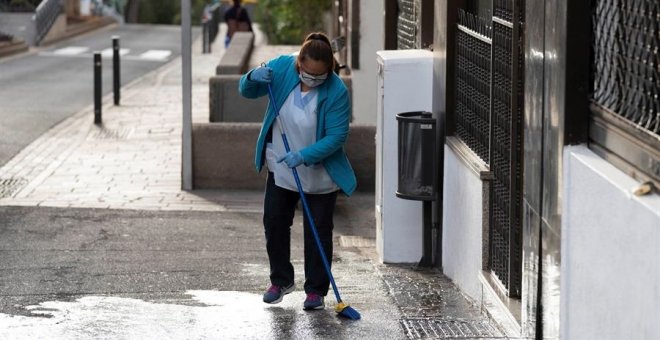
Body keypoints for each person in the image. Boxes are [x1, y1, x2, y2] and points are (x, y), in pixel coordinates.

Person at [238, 32, 356, 311]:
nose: (312, 79)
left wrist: (303, 155)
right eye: (307, 73)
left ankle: (316, 290)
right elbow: (245, 89)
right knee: (275, 222)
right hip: (282, 167)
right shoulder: (282, 67)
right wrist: (253, 76)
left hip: (320, 173)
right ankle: (280, 281)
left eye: (319, 75)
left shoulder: (336, 91)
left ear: (329, 70)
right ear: (299, 63)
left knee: (318, 231)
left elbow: (337, 136)